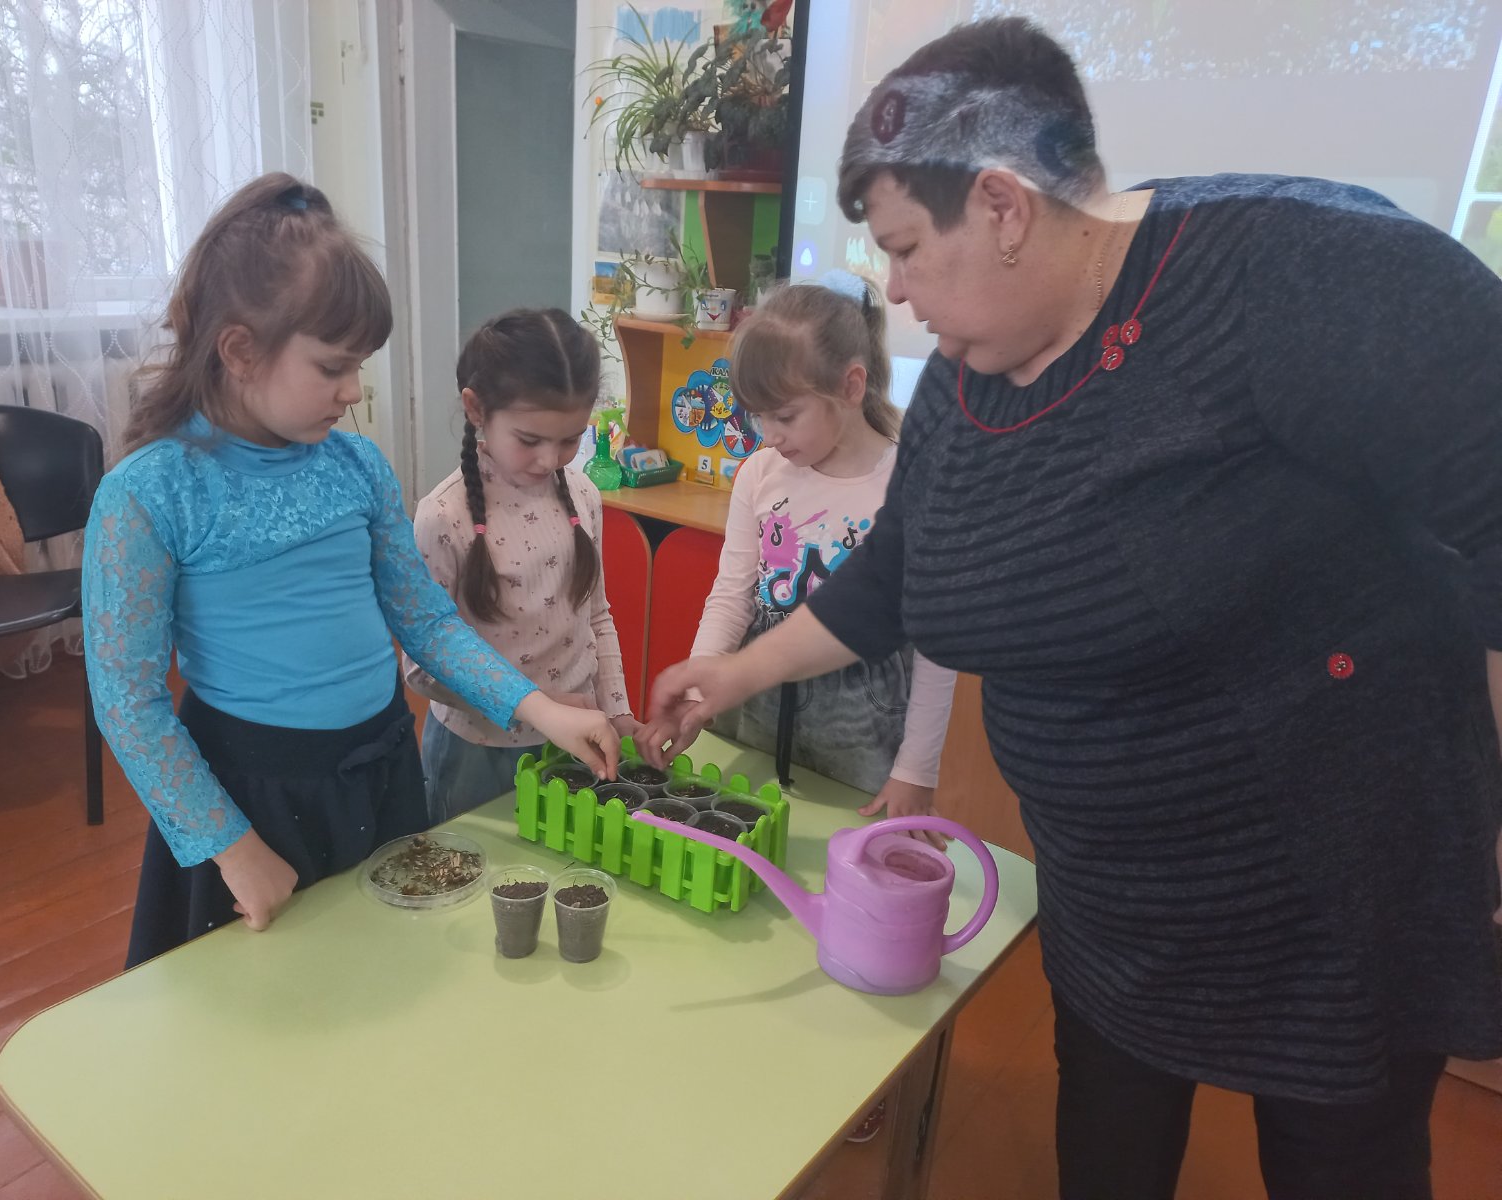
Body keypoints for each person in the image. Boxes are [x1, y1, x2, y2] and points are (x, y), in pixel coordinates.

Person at [644, 18, 1502, 1200]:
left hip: (1329, 884)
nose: (895, 293)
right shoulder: (968, 378)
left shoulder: (1302, 268)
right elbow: (896, 577)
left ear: (1002, 206)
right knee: (1106, 1144)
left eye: (905, 249)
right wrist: (732, 672)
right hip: (1114, 898)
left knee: (1337, 1161)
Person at [83, 175, 619, 967]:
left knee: (384, 969)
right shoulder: (149, 493)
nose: (354, 390)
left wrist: (541, 710)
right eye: (333, 367)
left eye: (359, 365)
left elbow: (427, 623)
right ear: (239, 350)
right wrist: (231, 846)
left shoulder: (356, 466)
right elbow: (129, 703)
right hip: (252, 795)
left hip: (381, 769)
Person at [635, 272, 956, 842]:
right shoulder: (760, 473)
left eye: (785, 417)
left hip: (863, 721)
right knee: (745, 836)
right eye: (758, 417)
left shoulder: (905, 482)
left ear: (851, 386)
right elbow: (731, 595)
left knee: (841, 851)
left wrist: (917, 769)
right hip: (758, 704)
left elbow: (936, 648)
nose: (770, 436)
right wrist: (696, 696)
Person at [404, 308, 639, 822]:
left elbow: (598, 617)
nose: (551, 460)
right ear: (476, 409)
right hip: (477, 754)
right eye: (530, 440)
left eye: (570, 439)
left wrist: (618, 710)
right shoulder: (443, 516)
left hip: (573, 744)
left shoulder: (583, 494)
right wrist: (540, 705)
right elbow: (421, 669)